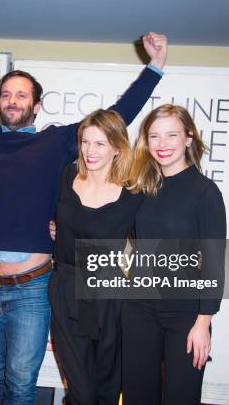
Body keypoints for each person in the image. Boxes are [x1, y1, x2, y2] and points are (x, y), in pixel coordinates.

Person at [0, 29, 167, 404]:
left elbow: (116, 117)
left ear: (37, 104)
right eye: (5, 95)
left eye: (21, 95)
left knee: (19, 384)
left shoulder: (55, 142)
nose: (12, 101)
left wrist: (155, 67)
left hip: (31, 289)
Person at [122, 104, 226, 404]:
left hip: (186, 313)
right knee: (137, 395)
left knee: (181, 397)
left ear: (189, 138)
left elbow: (214, 261)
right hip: (139, 307)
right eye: (154, 136)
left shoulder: (205, 192)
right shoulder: (143, 188)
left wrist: (203, 323)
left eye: (171, 135)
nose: (162, 144)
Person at [49, 109, 143, 404]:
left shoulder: (133, 193)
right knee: (81, 389)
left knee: (106, 385)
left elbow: (146, 245)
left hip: (108, 293)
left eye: (100, 143)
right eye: (85, 142)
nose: (90, 151)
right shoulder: (67, 176)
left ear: (117, 147)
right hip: (67, 287)